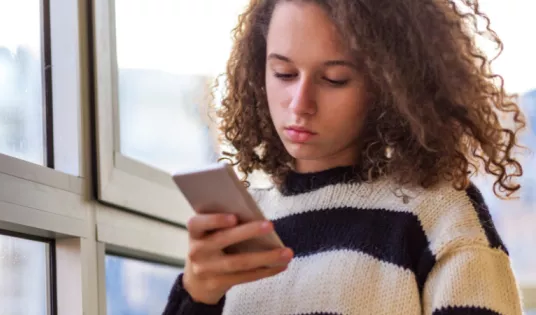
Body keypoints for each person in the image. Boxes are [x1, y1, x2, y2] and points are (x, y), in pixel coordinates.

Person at [163, 0, 527, 314]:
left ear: (388, 85)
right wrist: (196, 295)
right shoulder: (247, 222)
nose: (300, 104)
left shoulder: (440, 218)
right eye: (284, 73)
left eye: (335, 79)